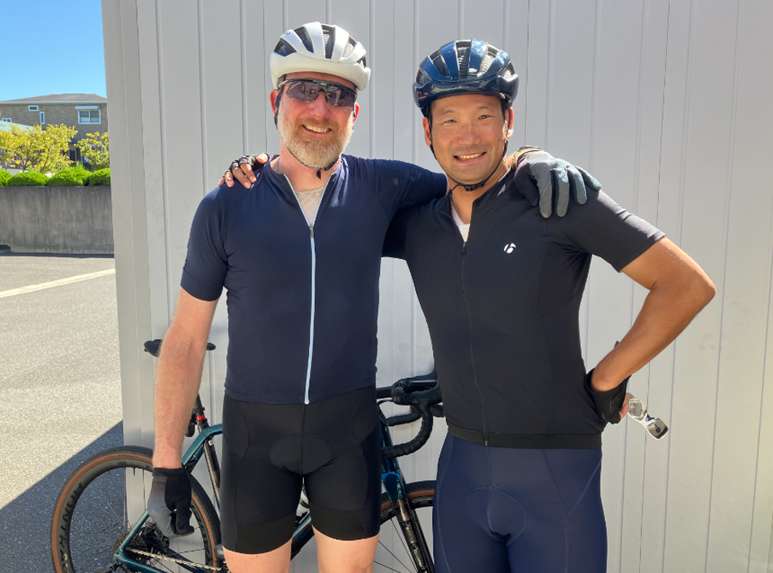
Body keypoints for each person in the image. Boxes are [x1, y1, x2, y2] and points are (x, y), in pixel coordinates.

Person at [147, 23, 596, 573]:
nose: (320, 108)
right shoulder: (226, 205)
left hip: (347, 434)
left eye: (338, 95)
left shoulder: (383, 187)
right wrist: (166, 463)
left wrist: (527, 157)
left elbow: (474, 175)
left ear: (354, 113)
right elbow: (186, 337)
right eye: (304, 89)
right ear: (275, 101)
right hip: (254, 439)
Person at [375, 39, 715, 572]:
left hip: (556, 473)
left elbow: (685, 285)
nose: (468, 136)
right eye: (449, 120)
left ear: (508, 121)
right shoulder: (418, 223)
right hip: (462, 466)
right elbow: (327, 201)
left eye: (484, 116)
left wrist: (607, 377)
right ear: (428, 131)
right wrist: (255, 168)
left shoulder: (557, 200)